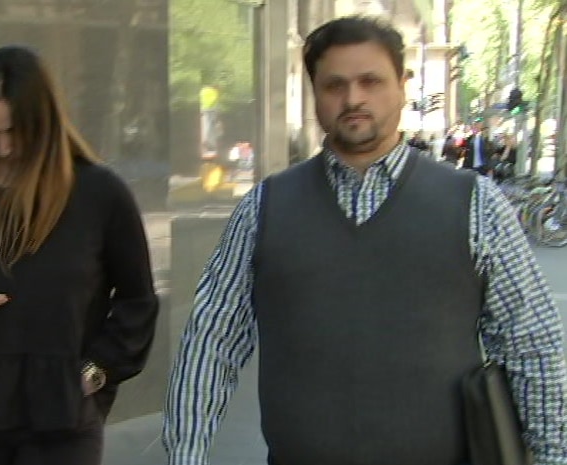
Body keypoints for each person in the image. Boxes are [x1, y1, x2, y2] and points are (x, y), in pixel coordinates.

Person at [163, 16, 567, 465]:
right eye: (334, 85)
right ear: (314, 92)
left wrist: (551, 456)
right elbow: (211, 341)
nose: (353, 98)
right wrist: (186, 454)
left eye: (370, 81)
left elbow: (532, 346)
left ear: (402, 85)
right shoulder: (264, 209)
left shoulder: (475, 204)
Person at [0, 46, 159, 465]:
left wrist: (95, 374)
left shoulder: (99, 192)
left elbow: (138, 300)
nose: (3, 148)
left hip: (60, 416)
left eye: (15, 132)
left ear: (44, 121)